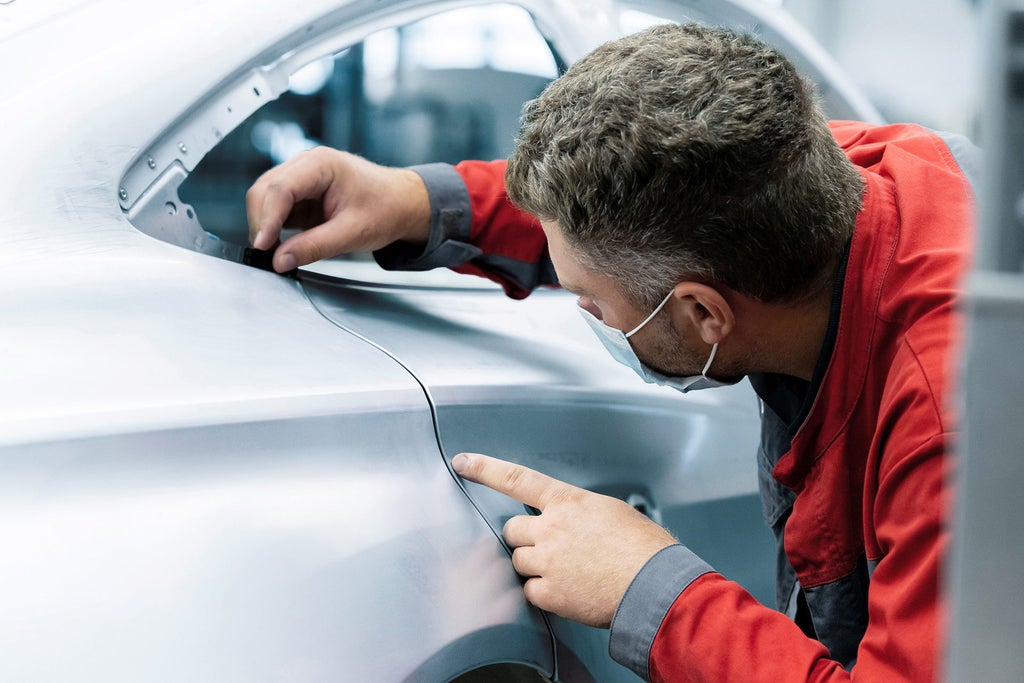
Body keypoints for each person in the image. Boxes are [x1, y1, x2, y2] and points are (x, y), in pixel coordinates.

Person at [245, 23, 977, 682]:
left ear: (702, 313)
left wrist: (649, 588)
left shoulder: (950, 421)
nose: (585, 312)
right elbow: (644, 209)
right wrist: (414, 200)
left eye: (590, 305)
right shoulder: (820, 173)